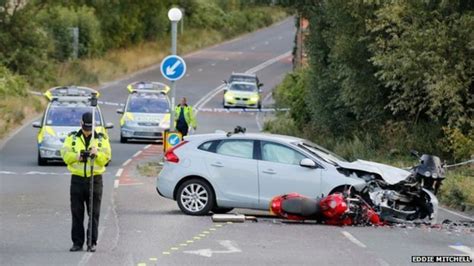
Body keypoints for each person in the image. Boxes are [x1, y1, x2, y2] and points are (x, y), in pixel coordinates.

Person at [61, 112, 111, 252]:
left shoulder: (101, 139)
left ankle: (92, 242)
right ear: (81, 124)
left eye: (89, 128)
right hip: (77, 179)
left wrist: (97, 154)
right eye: (85, 128)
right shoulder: (72, 138)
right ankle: (77, 242)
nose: (87, 131)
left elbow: (106, 158)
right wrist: (77, 156)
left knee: (94, 213)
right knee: (77, 212)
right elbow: (64, 155)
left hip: (95, 179)